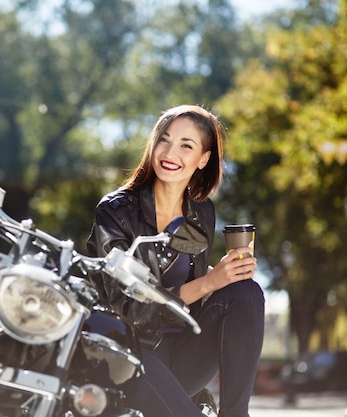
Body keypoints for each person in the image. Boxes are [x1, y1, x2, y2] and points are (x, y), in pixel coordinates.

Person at [87, 104, 265, 417]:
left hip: (183, 352)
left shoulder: (201, 212)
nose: (171, 153)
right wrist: (208, 282)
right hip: (130, 354)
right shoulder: (115, 211)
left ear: (203, 159)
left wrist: (221, 277)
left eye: (186, 145)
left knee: (246, 292)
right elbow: (125, 309)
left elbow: (186, 280)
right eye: (165, 140)